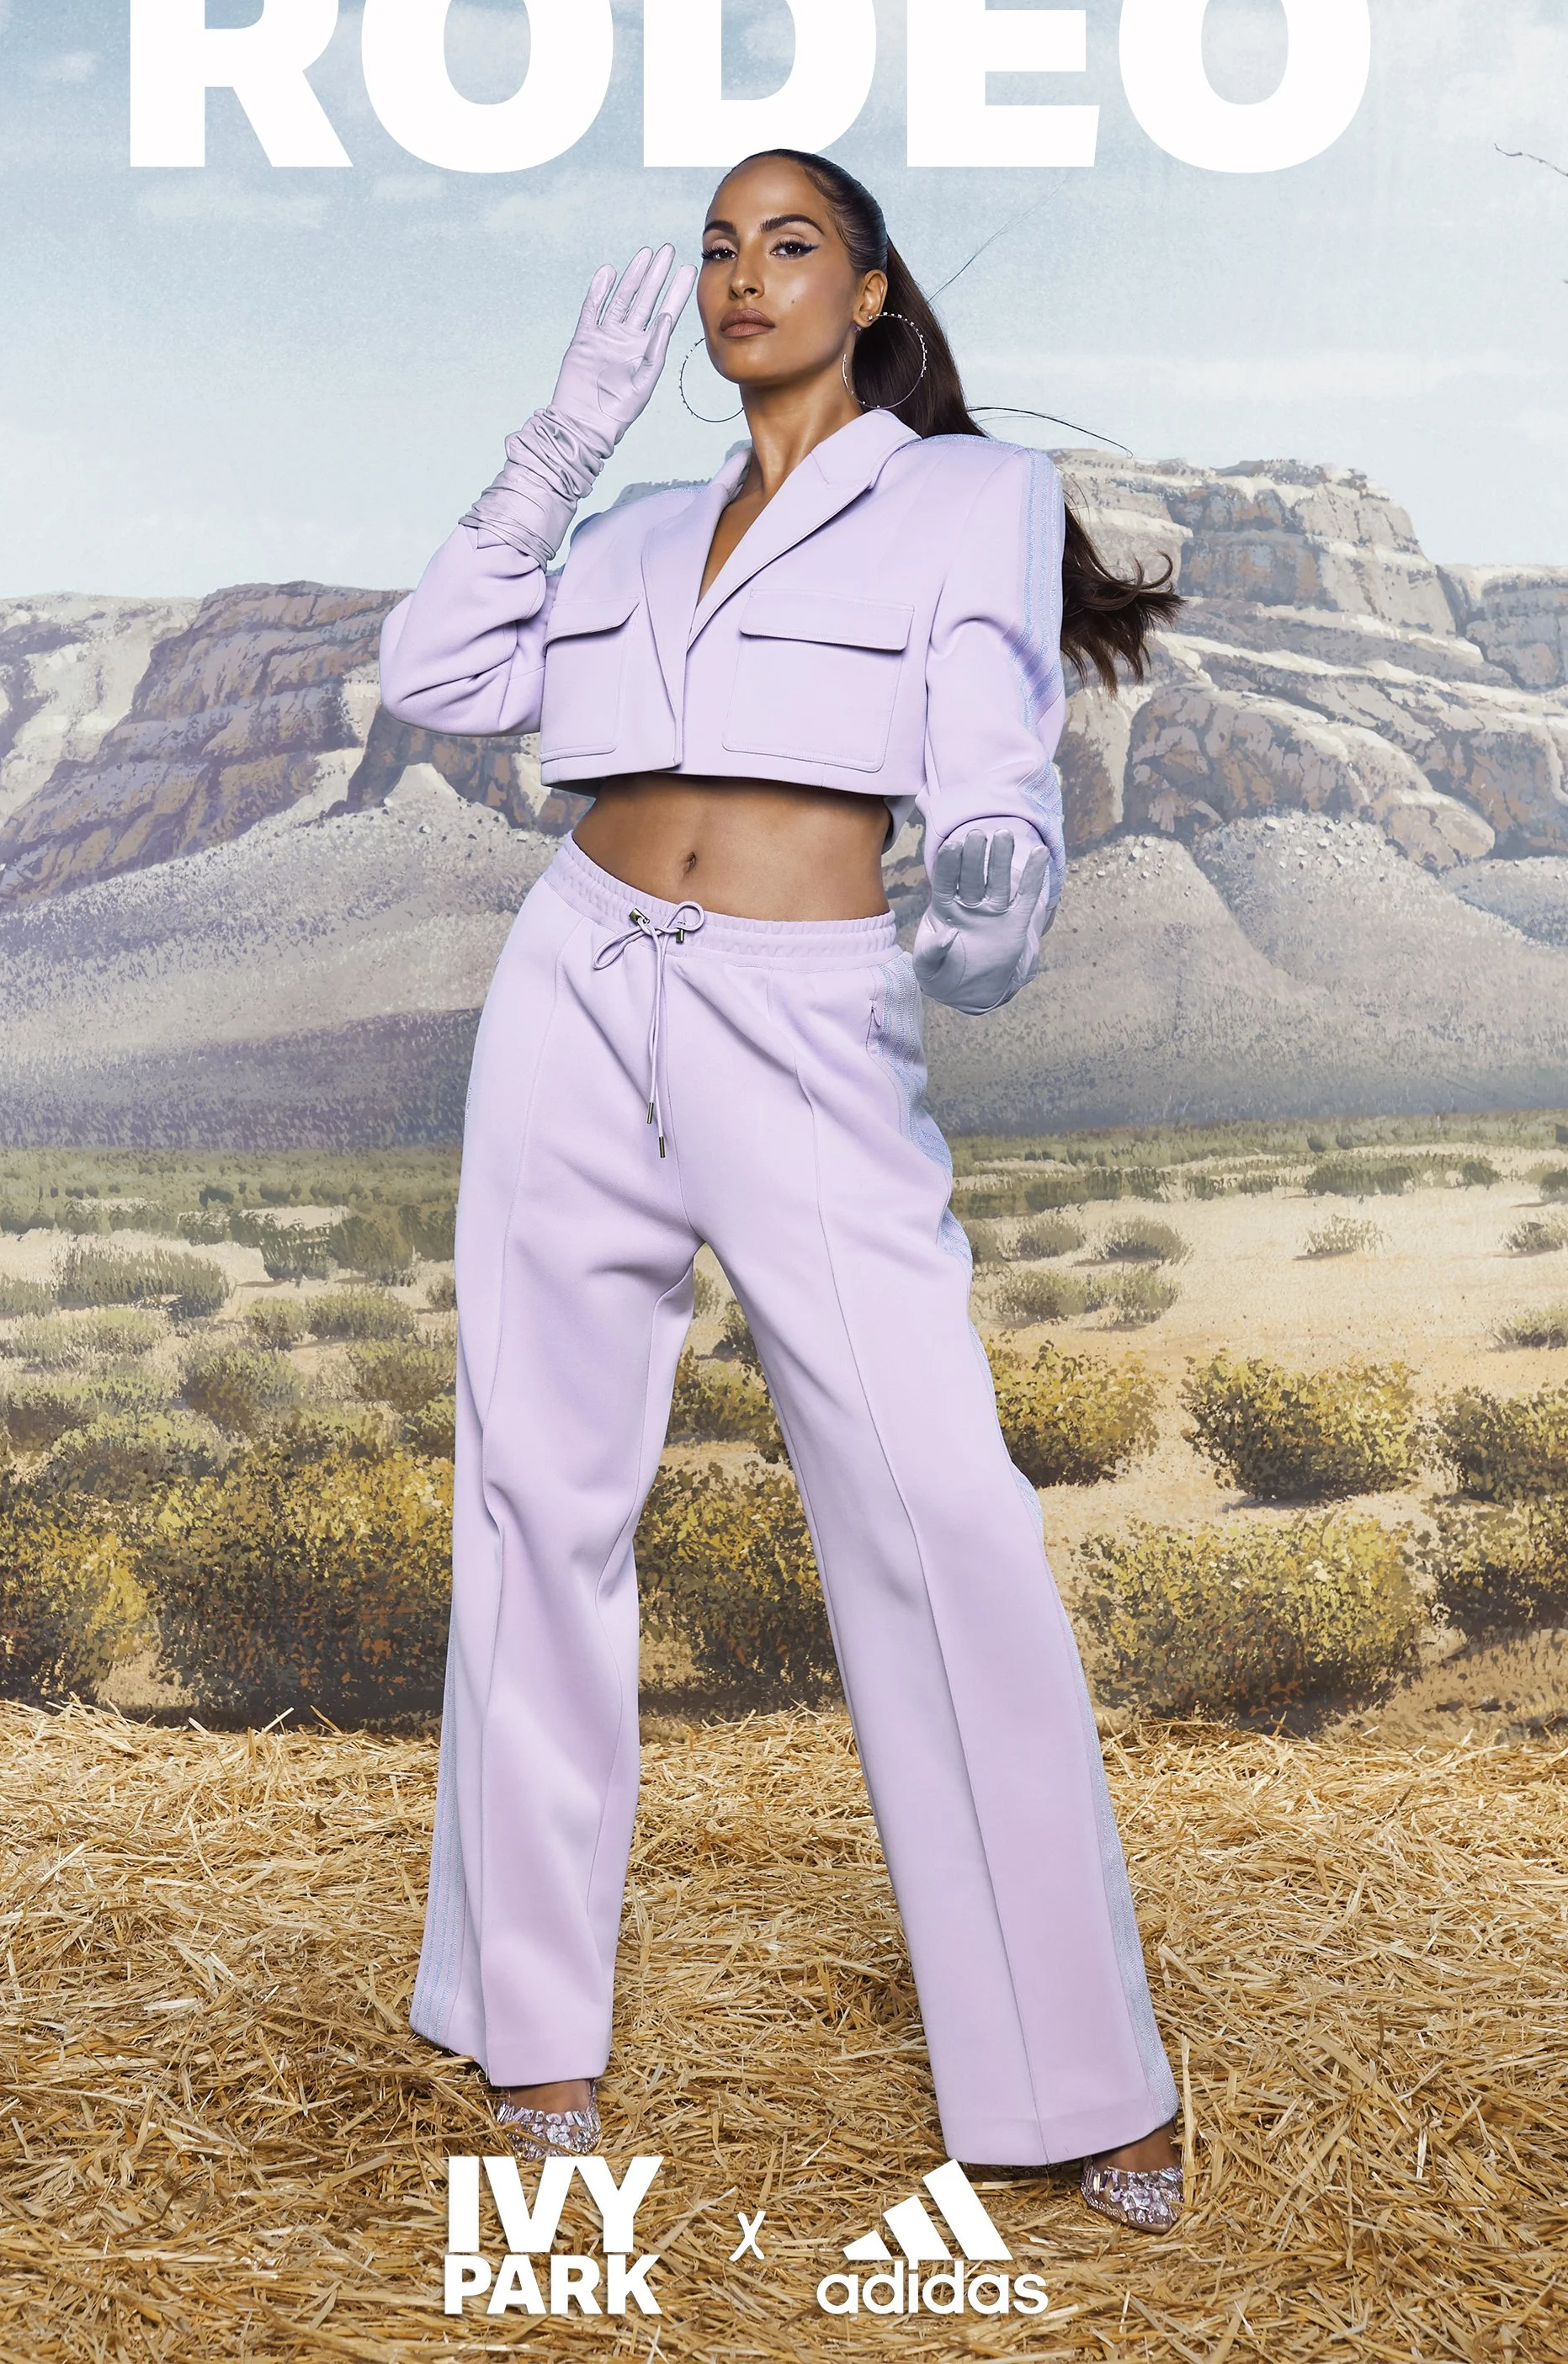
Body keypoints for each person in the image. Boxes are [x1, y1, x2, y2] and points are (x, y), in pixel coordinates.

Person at [375, 149, 1185, 2234]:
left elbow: (993, 750)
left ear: (873, 288)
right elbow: (439, 677)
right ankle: (528, 2018)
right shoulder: (637, 525)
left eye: (789, 244)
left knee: (938, 1506)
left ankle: (1077, 2071)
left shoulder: (964, 498)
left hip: (801, 1014)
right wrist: (555, 440)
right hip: (573, 983)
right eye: (720, 250)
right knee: (537, 1494)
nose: (745, 278)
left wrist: (996, 886)